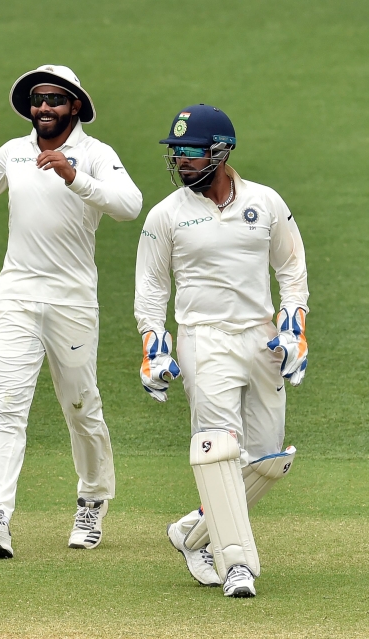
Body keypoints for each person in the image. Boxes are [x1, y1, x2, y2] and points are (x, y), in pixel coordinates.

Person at [0, 64, 142, 557]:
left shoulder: (96, 154)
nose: (44, 107)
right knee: (6, 408)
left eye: (54, 99)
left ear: (74, 106)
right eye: (37, 99)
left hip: (72, 300)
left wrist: (76, 179)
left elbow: (129, 206)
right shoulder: (13, 152)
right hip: (16, 297)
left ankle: (92, 501)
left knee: (80, 407)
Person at [135, 104, 308, 598]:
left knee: (268, 458)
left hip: (261, 337)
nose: (183, 162)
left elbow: (291, 270)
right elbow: (150, 288)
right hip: (203, 338)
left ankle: (192, 533)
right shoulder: (166, 215)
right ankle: (236, 563)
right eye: (177, 153)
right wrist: (154, 343)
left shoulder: (266, 202)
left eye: (192, 152)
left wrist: (294, 327)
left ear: (222, 151)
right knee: (221, 451)